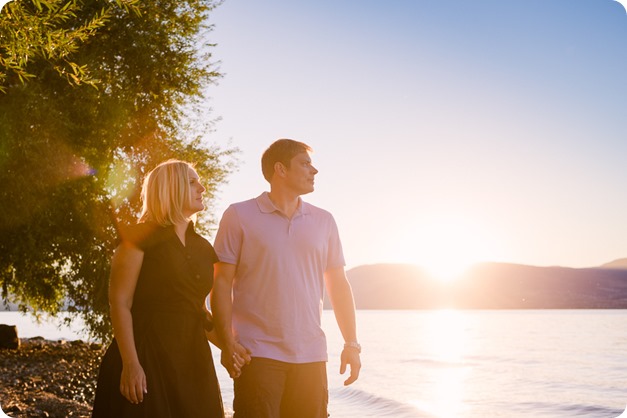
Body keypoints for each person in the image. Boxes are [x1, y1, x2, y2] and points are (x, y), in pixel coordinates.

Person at [211, 139, 361, 418]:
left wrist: (351, 344)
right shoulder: (238, 215)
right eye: (305, 164)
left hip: (312, 356)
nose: (313, 171)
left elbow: (339, 286)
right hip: (257, 356)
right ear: (280, 169)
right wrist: (227, 343)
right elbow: (221, 284)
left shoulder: (324, 221)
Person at [92, 159, 247, 418]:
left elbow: (197, 311)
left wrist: (229, 347)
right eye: (192, 182)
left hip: (192, 359)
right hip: (146, 354)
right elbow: (120, 303)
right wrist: (131, 363)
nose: (202, 188)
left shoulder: (203, 248)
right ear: (171, 189)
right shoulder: (137, 238)